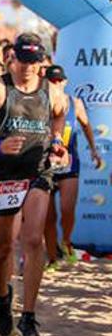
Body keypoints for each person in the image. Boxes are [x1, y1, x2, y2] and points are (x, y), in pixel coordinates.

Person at [0, 33, 67, 336]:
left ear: (42, 63)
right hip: (3, 174)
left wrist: (57, 142)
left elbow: (60, 116)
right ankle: (3, 297)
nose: (27, 68)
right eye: (22, 60)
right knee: (2, 249)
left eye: (33, 62)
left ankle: (30, 316)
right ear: (13, 59)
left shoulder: (52, 92)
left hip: (36, 171)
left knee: (33, 239)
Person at [43, 65, 102, 267]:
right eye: (52, 80)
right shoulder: (39, 102)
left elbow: (85, 125)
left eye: (60, 80)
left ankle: (66, 242)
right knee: (48, 216)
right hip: (45, 164)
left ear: (65, 82)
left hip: (69, 162)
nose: (56, 84)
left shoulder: (74, 103)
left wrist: (94, 149)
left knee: (68, 209)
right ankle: (52, 257)